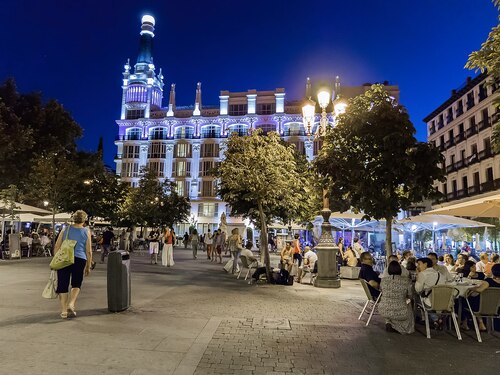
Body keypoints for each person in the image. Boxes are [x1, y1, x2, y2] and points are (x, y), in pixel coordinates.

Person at [54, 210, 92, 319]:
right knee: (76, 283)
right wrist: (88, 266)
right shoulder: (86, 231)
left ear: (73, 218)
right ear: (84, 220)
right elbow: (88, 250)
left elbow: (57, 246)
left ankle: (64, 311)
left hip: (64, 258)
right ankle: (72, 303)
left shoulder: (65, 229)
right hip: (80, 259)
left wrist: (57, 259)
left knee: (63, 284)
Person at [460, 263, 500, 331]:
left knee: (463, 300)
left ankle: (470, 322)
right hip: (497, 308)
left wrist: (470, 288)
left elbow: (479, 289)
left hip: (483, 307)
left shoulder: (488, 281)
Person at [379, 261, 415, 334]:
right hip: (401, 312)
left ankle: (389, 322)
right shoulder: (407, 281)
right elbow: (410, 296)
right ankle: (398, 327)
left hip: (383, 309)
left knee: (389, 305)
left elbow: (382, 291)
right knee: (409, 304)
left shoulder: (383, 280)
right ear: (400, 270)